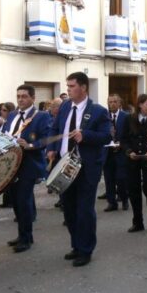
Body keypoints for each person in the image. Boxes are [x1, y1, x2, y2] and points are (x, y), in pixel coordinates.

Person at [46, 72, 111, 267]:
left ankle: (86, 249)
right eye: (67, 86)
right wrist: (51, 149)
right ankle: (76, 245)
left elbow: (107, 136)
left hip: (86, 168)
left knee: (84, 211)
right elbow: (55, 129)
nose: (68, 90)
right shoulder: (65, 107)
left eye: (72, 86)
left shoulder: (98, 111)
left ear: (83, 87)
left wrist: (86, 135)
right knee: (69, 210)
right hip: (65, 166)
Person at [3, 85, 51, 253]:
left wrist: (30, 145)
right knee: (16, 201)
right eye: (18, 96)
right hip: (11, 164)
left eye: (24, 96)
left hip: (29, 164)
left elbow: (46, 139)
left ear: (33, 98)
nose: (20, 99)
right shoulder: (12, 115)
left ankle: (26, 237)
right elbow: (5, 132)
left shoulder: (41, 116)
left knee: (24, 201)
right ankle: (22, 234)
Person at [122, 94, 147, 233]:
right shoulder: (129, 118)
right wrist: (129, 152)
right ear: (140, 104)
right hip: (132, 159)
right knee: (133, 190)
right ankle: (138, 222)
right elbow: (123, 139)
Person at [101, 94, 129, 212]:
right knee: (109, 179)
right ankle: (111, 202)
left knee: (121, 178)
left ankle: (124, 199)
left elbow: (130, 135)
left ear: (119, 103)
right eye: (110, 102)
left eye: (114, 102)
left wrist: (121, 144)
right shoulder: (104, 117)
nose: (112, 104)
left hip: (121, 153)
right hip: (107, 153)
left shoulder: (126, 117)